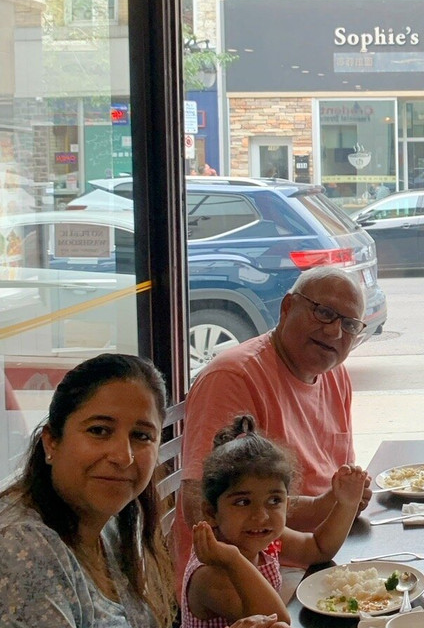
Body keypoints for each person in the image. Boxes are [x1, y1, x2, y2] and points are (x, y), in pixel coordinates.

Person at [0, 352, 289, 628]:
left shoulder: (116, 517)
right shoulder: (23, 547)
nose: (123, 456)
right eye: (99, 430)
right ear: (51, 441)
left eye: (141, 436)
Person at [173, 266, 373, 586]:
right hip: (246, 575)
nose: (335, 332)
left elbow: (333, 486)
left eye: (349, 324)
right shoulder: (233, 378)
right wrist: (327, 508)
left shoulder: (335, 374)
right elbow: (198, 505)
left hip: (319, 549)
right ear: (287, 307)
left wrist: (347, 499)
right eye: (324, 313)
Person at [182, 415, 367, 626]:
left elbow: (319, 548)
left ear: (287, 504)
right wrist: (234, 559)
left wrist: (347, 504)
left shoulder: (265, 538)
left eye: (274, 500)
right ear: (211, 512)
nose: (261, 516)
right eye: (243, 502)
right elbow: (277, 621)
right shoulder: (211, 572)